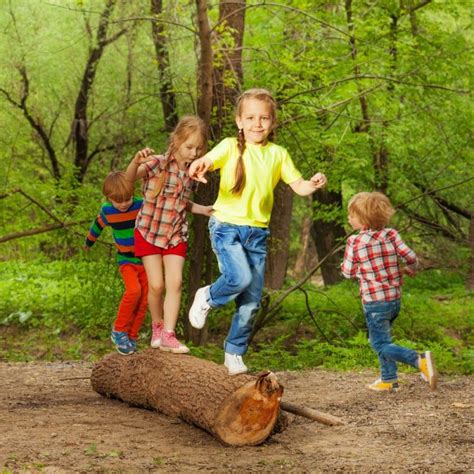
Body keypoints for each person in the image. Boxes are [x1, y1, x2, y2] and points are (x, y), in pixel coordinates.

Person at [187, 88, 328, 375]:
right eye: (250, 117)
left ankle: (234, 353)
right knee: (238, 277)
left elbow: (298, 186)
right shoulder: (229, 146)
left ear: (272, 123)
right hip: (226, 226)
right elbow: (208, 161)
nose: (257, 124)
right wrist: (198, 165)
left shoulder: (278, 155)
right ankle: (207, 296)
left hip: (257, 234)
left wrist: (313, 183)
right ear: (239, 121)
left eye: (264, 118)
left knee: (251, 301)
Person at [126, 116, 213, 354]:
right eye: (189, 147)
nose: (194, 153)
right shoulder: (157, 164)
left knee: (176, 283)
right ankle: (157, 325)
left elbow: (181, 202)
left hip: (175, 234)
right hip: (149, 232)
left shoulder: (193, 173)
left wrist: (202, 209)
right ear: (175, 141)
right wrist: (135, 162)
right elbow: (128, 179)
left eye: (198, 148)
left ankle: (169, 334)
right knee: (156, 286)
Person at [341, 191, 437, 391]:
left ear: (363, 219)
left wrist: (359, 269)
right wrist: (409, 269)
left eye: (352, 215)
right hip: (394, 301)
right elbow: (410, 257)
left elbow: (348, 272)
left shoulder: (355, 242)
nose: (349, 218)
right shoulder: (391, 235)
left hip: (374, 303)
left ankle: (418, 360)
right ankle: (388, 379)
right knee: (384, 339)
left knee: (379, 343)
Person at [85, 171, 148, 355]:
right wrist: (89, 242)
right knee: (133, 291)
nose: (123, 204)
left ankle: (132, 336)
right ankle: (119, 330)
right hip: (126, 260)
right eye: (118, 201)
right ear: (109, 198)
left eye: (126, 199)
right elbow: (97, 225)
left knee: (144, 299)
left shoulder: (139, 204)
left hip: (145, 260)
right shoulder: (107, 211)